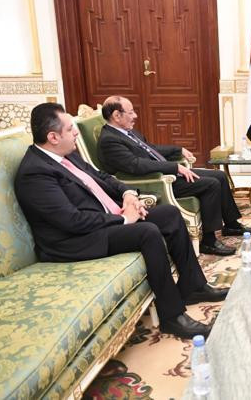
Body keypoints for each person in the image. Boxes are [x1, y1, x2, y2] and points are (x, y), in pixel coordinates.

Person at [15, 103, 227, 339]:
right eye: (70, 129)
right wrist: (123, 219)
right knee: (147, 232)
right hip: (74, 240)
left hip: (102, 219)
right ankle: (172, 317)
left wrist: (128, 195)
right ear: (53, 137)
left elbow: (102, 177)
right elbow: (71, 221)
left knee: (169, 214)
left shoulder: (66, 155)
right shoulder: (35, 173)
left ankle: (193, 287)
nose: (75, 132)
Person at [96, 96, 251, 257]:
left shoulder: (128, 132)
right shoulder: (109, 140)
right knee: (211, 184)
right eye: (131, 112)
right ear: (117, 115)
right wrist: (174, 167)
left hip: (163, 173)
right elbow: (136, 165)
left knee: (219, 175)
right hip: (154, 182)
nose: (135, 116)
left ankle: (231, 225)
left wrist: (178, 150)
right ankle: (209, 242)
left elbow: (150, 149)